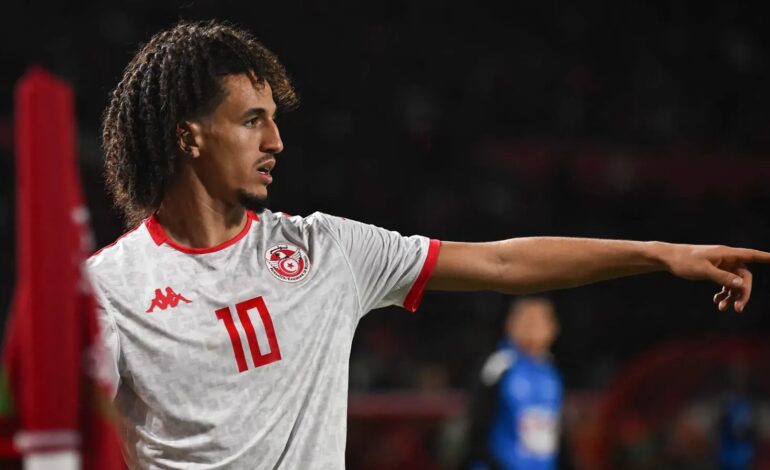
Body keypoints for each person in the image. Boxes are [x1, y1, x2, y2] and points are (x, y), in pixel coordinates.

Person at [87, 20, 770, 469]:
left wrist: (658, 254)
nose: (277, 141)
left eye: (274, 120)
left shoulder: (328, 252)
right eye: (252, 121)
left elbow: (502, 261)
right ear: (190, 135)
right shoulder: (109, 287)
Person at [466, 298, 565, 470]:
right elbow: (477, 424)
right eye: (527, 320)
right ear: (511, 324)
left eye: (539, 321)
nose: (532, 328)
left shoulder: (551, 373)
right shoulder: (499, 365)